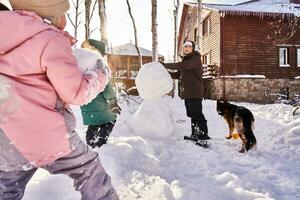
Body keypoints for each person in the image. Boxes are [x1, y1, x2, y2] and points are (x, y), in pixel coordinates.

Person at [0, 1, 119, 199]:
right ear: (55, 15)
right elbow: (77, 93)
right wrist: (100, 74)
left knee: (6, 190)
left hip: (6, 139)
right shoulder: (49, 39)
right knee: (89, 171)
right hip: (46, 134)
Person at [162, 40, 210, 141]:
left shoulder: (195, 59)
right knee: (192, 115)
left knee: (198, 114)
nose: (187, 48)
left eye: (189, 46)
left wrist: (165, 65)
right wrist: (165, 72)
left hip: (195, 91)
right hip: (188, 92)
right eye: (185, 46)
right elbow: (178, 74)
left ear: (192, 48)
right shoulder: (186, 61)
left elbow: (183, 66)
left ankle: (203, 136)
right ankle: (195, 135)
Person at [80, 39, 121, 148]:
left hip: (87, 107)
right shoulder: (99, 68)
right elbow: (107, 88)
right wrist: (113, 102)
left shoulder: (80, 67)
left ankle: (91, 143)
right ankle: (101, 143)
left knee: (93, 126)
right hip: (102, 107)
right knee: (110, 121)